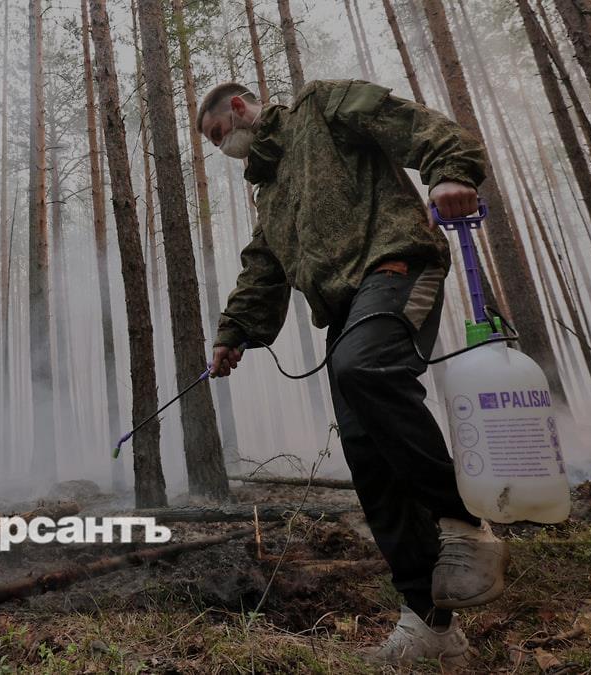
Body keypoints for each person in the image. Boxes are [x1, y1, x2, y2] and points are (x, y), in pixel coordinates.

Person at [197, 79, 509, 667]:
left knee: (361, 365)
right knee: (366, 453)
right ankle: (429, 626)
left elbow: (415, 125)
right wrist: (233, 334)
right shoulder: (271, 190)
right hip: (346, 308)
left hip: (397, 265)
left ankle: (465, 524)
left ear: (238, 107)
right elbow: (263, 268)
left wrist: (450, 173)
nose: (222, 148)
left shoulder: (323, 107)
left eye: (219, 134)